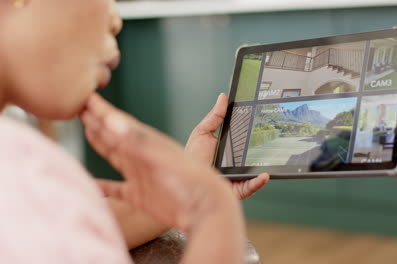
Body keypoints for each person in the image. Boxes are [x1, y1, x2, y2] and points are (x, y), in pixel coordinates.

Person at [0, 0, 269, 263]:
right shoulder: (21, 171)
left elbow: (55, 233)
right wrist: (214, 208)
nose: (116, 21)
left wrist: (186, 189)